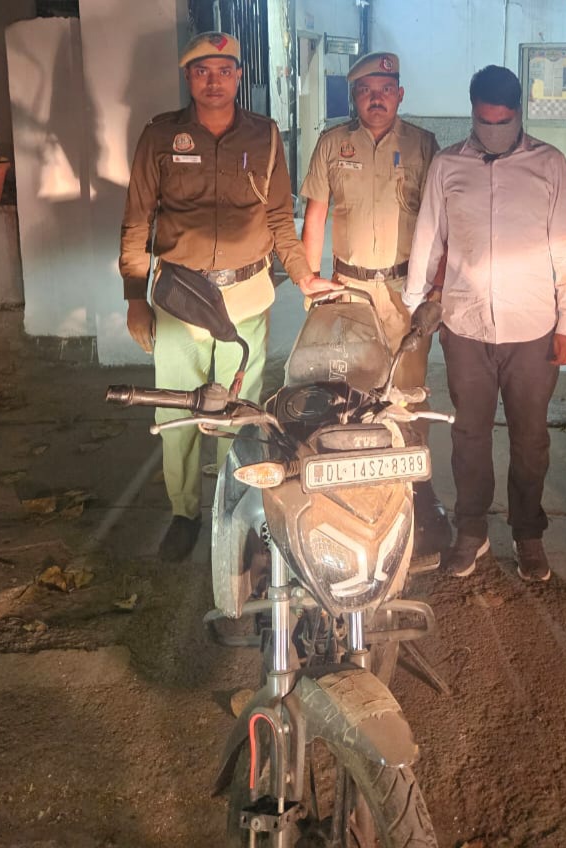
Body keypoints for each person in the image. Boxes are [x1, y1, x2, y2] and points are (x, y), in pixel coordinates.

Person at [119, 31, 329, 563]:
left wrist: (304, 276)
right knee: (178, 409)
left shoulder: (264, 135)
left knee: (238, 412)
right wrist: (134, 296)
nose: (213, 81)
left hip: (246, 296)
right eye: (201, 71)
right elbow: (138, 219)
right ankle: (184, 513)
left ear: (238, 76)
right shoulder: (160, 136)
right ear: (188, 78)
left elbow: (280, 218)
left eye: (223, 70)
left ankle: (234, 509)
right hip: (180, 298)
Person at [405, 65, 566, 583]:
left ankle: (528, 534)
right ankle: (471, 531)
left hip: (533, 327)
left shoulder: (549, 164)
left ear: (518, 114)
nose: (493, 132)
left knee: (530, 439)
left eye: (503, 123)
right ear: (472, 113)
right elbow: (429, 236)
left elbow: (565, 245)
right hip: (465, 325)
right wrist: (415, 305)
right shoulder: (448, 165)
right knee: (469, 435)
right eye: (484, 123)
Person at [300, 51, 451, 559]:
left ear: (400, 95)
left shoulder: (424, 145)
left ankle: (418, 490)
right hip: (348, 289)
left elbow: (440, 220)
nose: (376, 98)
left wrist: (435, 290)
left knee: (408, 394)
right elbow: (316, 213)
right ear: (354, 97)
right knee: (351, 390)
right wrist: (311, 282)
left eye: (386, 89)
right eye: (366, 90)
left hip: (405, 291)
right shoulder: (332, 144)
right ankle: (356, 485)